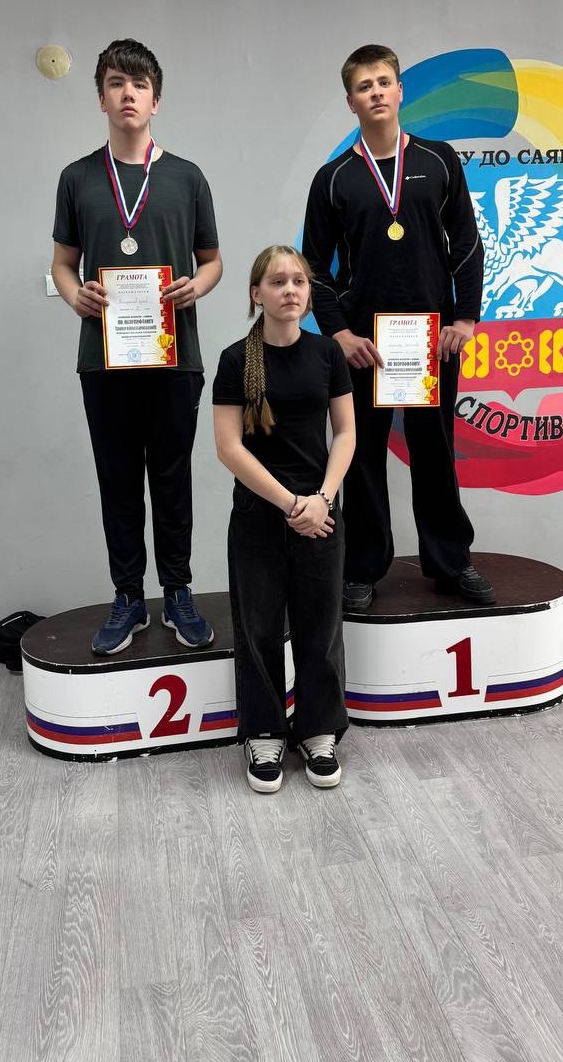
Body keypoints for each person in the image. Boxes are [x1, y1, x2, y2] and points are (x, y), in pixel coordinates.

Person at [301, 44, 494, 612]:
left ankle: (451, 561)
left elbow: (467, 242)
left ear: (400, 90)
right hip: (364, 345)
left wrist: (464, 317)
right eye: (364, 86)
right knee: (362, 456)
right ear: (351, 102)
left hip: (434, 339)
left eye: (384, 82)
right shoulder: (334, 178)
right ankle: (362, 568)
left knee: (436, 450)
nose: (376, 93)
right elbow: (314, 266)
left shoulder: (439, 161)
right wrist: (339, 333)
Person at [51, 39, 222, 654]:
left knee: (172, 479)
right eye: (117, 84)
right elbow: (63, 263)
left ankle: (177, 592)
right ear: (101, 97)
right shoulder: (77, 178)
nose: (128, 94)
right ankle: (128, 597)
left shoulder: (187, 177)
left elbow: (213, 261)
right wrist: (73, 295)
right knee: (118, 480)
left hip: (176, 357)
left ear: (156, 100)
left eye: (140, 85)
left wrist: (196, 286)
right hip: (104, 360)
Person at [213, 245, 356, 793]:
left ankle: (319, 730)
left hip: (321, 514)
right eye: (277, 282)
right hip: (259, 514)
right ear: (257, 294)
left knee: (321, 628)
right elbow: (229, 448)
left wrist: (321, 498)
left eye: (299, 280)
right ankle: (264, 732)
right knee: (259, 630)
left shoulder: (327, 354)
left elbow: (345, 433)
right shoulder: (235, 360)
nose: (290, 290)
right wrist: (290, 504)